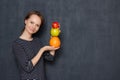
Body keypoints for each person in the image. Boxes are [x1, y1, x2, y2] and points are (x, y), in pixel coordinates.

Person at [12, 10, 59, 80]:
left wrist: (54, 41)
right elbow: (28, 67)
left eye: (37, 25)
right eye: (32, 22)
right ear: (26, 21)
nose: (33, 27)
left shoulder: (37, 41)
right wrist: (42, 49)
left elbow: (50, 58)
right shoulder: (17, 44)